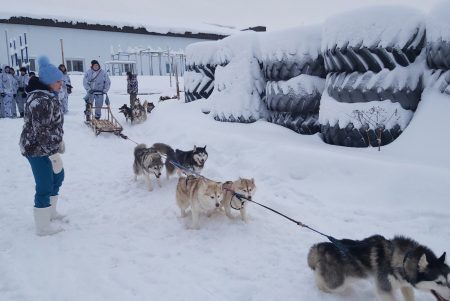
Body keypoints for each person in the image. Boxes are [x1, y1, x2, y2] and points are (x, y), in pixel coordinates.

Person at [19, 56, 66, 236]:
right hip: (36, 148)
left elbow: (50, 128)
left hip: (47, 146)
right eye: (58, 81)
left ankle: (51, 212)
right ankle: (42, 226)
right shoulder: (40, 101)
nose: (61, 83)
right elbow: (42, 132)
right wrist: (55, 148)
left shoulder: (47, 96)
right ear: (48, 82)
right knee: (45, 183)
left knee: (58, 176)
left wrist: (57, 142)